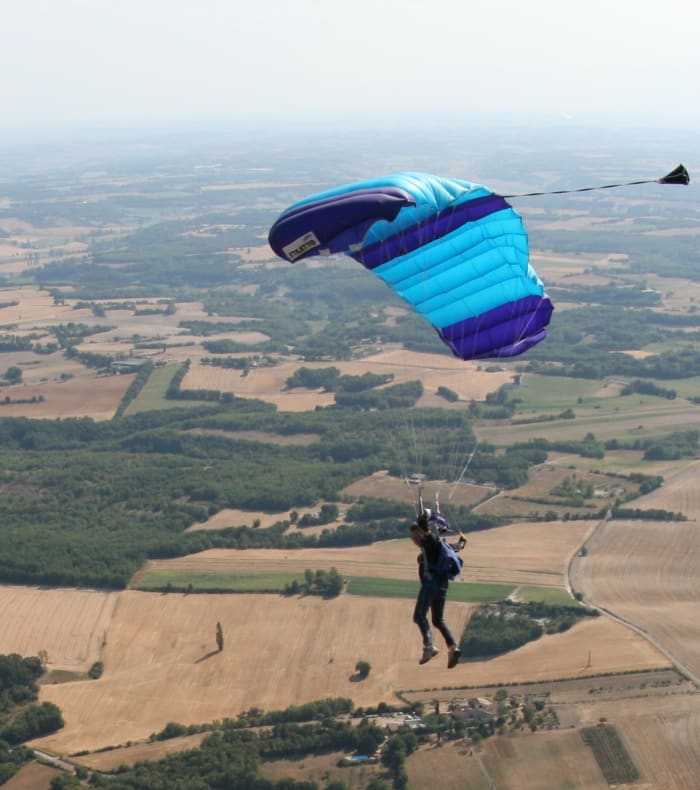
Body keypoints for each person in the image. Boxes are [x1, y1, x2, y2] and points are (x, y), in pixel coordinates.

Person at [410, 511, 463, 669]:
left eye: (414, 537)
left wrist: (425, 518)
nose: (413, 541)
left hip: (431, 584)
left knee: (419, 615)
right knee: (437, 619)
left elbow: (426, 530)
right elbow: (456, 547)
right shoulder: (437, 544)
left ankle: (429, 646)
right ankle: (453, 647)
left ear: (420, 534)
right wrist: (460, 543)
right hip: (442, 584)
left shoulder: (429, 541)